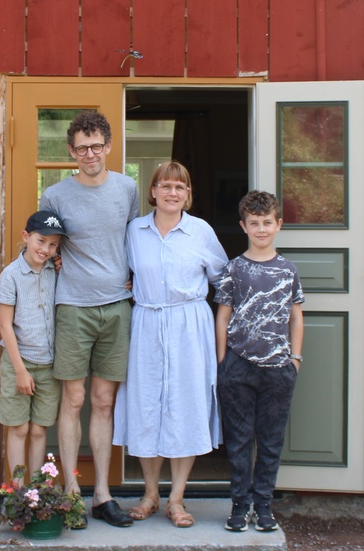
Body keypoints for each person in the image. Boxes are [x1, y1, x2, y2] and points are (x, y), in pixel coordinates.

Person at [113, 161, 228, 528]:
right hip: (146, 322)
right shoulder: (134, 231)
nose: (172, 193)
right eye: (165, 185)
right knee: (147, 405)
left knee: (185, 405)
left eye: (180, 187)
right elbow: (119, 271)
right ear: (153, 191)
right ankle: (150, 494)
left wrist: (223, 329)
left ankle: (177, 498)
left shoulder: (201, 232)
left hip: (189, 325)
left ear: (188, 194)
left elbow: (224, 281)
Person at [38, 111, 139, 528]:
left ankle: (102, 494)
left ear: (109, 146)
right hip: (74, 306)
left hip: (118, 306)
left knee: (103, 401)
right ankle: (70, 494)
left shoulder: (127, 188)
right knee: (73, 400)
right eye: (81, 147)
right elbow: (45, 243)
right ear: (70, 151)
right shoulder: (56, 194)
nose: (90, 154)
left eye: (97, 146)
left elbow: (137, 239)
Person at [214, 190, 304, 533]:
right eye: (255, 223)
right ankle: (240, 504)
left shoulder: (287, 271)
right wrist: (224, 361)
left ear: (278, 225)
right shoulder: (234, 269)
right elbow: (222, 317)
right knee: (238, 439)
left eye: (268, 223)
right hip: (238, 365)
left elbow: (297, 317)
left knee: (270, 438)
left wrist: (295, 359)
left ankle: (264, 504)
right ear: (244, 226)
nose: (262, 229)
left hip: (278, 367)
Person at [0, 210, 67, 479]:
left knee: (38, 429)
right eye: (40, 241)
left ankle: (36, 493)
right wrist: (20, 371)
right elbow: (5, 324)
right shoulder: (11, 275)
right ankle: (16, 492)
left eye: (52, 245)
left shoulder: (56, 271)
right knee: (19, 428)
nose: (45, 249)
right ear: (26, 237)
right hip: (19, 362)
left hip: (49, 365)